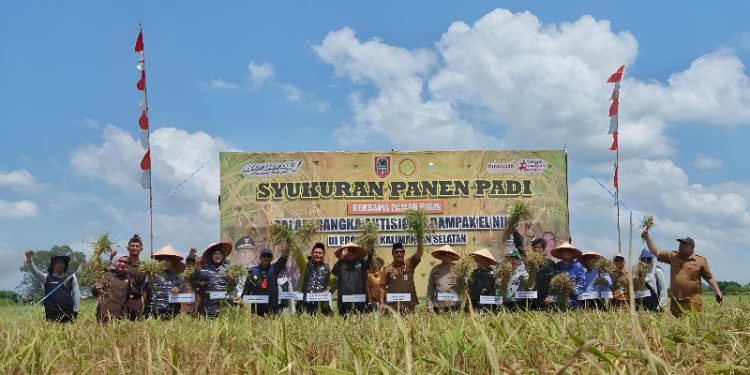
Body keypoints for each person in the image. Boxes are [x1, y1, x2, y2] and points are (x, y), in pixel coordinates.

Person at [641, 231, 723, 317]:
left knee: (694, 325)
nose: (681, 246)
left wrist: (718, 291)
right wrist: (647, 239)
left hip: (693, 301)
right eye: (680, 244)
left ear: (691, 247)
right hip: (676, 301)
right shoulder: (673, 256)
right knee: (677, 327)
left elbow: (709, 278)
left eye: (684, 245)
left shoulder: (701, 261)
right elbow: (656, 253)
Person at [25, 250, 80, 322]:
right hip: (51, 315)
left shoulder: (72, 277)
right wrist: (29, 259)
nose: (60, 265)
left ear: (65, 265)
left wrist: (76, 311)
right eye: (57, 263)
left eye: (62, 263)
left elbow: (76, 294)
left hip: (68, 314)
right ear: (53, 266)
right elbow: (34, 271)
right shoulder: (46, 278)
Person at [380, 242, 424, 314]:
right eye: (396, 252)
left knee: (410, 325)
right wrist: (381, 303)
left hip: (409, 305)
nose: (399, 253)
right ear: (393, 254)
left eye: (401, 252)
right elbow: (382, 286)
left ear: (404, 253)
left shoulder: (409, 264)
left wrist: (419, 237)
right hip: (393, 306)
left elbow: (419, 253)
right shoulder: (386, 269)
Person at [244, 247, 289, 316]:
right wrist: (242, 298)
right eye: (264, 256)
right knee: (256, 326)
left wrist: (285, 253)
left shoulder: (275, 268)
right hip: (257, 307)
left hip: (272, 307)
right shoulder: (253, 271)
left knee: (272, 326)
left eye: (269, 256)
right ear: (260, 257)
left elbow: (282, 260)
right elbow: (247, 287)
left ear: (271, 258)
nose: (266, 258)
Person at [194, 242, 233, 319]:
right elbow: (196, 278)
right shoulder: (205, 270)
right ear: (211, 256)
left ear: (222, 256)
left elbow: (235, 285)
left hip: (225, 306)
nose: (217, 256)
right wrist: (197, 265)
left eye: (219, 254)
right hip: (209, 307)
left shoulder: (229, 270)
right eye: (215, 254)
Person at [332, 242, 372, 315]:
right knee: (344, 321)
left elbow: (369, 264)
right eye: (348, 251)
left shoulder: (361, 263)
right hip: (344, 298)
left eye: (353, 251)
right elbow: (334, 272)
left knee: (360, 321)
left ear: (357, 253)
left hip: (359, 298)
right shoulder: (341, 263)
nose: (351, 253)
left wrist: (370, 248)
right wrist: (341, 259)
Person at [145, 246, 184, 319]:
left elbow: (183, 289)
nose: (167, 263)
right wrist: (148, 282)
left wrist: (178, 289)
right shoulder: (151, 275)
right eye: (164, 260)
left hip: (171, 312)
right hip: (153, 312)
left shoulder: (177, 277)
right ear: (159, 262)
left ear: (172, 263)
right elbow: (143, 289)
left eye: (169, 261)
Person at [297, 243, 333, 315]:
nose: (318, 254)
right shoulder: (305, 265)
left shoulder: (327, 268)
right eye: (315, 252)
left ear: (324, 254)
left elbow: (336, 281)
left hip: (322, 306)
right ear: (312, 253)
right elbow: (298, 253)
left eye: (320, 253)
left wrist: (330, 290)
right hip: (304, 305)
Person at [426, 245, 463, 313]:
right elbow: (430, 288)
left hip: (454, 305)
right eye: (443, 254)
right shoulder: (435, 269)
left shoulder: (458, 269)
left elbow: (464, 286)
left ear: (452, 256)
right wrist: (429, 303)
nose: (445, 256)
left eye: (447, 254)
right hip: (439, 305)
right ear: (440, 256)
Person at [93, 254, 130, 323]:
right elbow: (95, 292)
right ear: (115, 261)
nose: (123, 263)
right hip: (105, 313)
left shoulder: (127, 276)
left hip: (121, 313)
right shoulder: (106, 274)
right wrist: (96, 288)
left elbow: (130, 294)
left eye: (125, 262)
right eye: (121, 261)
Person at [550, 242, 586, 309]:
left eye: (569, 251)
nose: (566, 253)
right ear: (561, 254)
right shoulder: (557, 266)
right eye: (564, 251)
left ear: (572, 253)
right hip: (559, 299)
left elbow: (582, 282)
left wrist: (571, 290)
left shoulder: (578, 266)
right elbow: (553, 282)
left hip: (574, 300)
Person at [121, 234, 147, 320]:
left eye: (137, 246)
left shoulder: (145, 267)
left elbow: (147, 285)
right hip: (122, 301)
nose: (134, 247)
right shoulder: (121, 263)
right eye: (132, 245)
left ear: (141, 249)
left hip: (137, 301)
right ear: (128, 248)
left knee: (136, 329)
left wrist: (144, 301)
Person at [466, 248, 498, 313]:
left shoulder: (495, 274)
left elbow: (498, 293)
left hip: (488, 307)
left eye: (480, 260)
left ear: (487, 261)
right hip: (473, 305)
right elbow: (469, 289)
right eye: (477, 260)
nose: (478, 262)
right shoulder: (473, 273)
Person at [530, 238, 557, 310]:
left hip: (546, 298)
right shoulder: (528, 262)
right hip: (532, 298)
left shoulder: (550, 263)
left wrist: (550, 296)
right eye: (535, 247)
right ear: (532, 248)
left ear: (543, 249)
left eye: (539, 247)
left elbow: (554, 282)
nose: (537, 249)